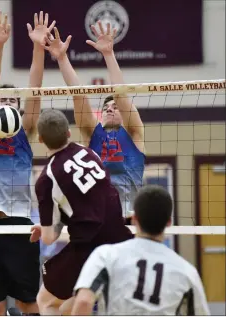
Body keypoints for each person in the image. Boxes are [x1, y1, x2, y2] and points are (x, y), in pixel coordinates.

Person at [0, 11, 55, 315]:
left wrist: (37, 48)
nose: (7, 104)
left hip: (19, 224)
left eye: (12, 101)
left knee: (28, 302)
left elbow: (35, 89)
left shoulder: (26, 131)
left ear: (19, 109)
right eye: (2, 100)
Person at [30, 109, 133, 315]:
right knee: (73, 303)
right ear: (69, 133)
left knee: (45, 301)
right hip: (121, 238)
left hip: (89, 246)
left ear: (40, 139)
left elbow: (49, 238)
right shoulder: (89, 152)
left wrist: (47, 227)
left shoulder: (46, 179)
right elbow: (97, 196)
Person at [43, 22, 145, 220]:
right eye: (106, 108)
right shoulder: (93, 133)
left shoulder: (133, 132)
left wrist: (109, 54)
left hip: (130, 218)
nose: (110, 109)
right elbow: (78, 95)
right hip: (100, 217)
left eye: (115, 107)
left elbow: (121, 95)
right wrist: (62, 58)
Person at [72, 185, 210, 315]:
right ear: (169, 222)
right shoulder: (186, 271)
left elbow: (84, 301)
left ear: (134, 219)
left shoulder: (105, 255)